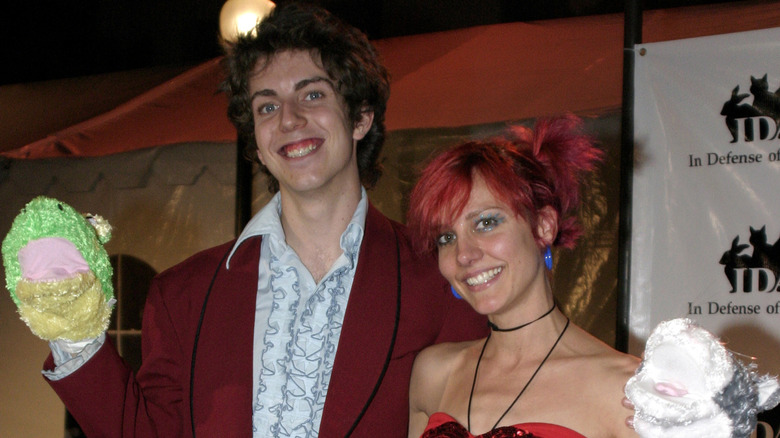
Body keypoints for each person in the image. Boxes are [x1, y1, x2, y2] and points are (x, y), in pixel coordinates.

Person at [38, 3, 486, 437]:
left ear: (361, 117)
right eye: (267, 106)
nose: (290, 119)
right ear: (255, 138)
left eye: (313, 94)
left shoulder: (441, 280)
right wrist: (74, 334)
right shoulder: (183, 295)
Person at [405, 115, 640, 438]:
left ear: (543, 226)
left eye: (486, 223)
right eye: (446, 237)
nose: (464, 254)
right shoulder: (433, 375)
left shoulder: (627, 391)